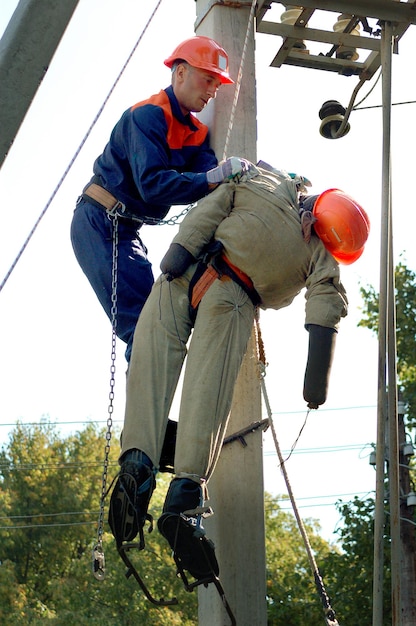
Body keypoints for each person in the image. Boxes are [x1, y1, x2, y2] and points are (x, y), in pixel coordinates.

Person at [108, 161, 370, 581]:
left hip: (187, 275)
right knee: (206, 396)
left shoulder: (266, 182)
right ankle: (182, 499)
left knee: (150, 371)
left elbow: (218, 201)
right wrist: (315, 381)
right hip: (230, 298)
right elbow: (326, 303)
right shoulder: (320, 249)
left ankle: (137, 469)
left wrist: (180, 249)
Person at [70, 36, 245, 363]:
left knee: (160, 321)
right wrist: (212, 178)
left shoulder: (196, 135)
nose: (212, 91)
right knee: (143, 326)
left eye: (217, 85)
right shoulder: (146, 116)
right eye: (208, 79)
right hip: (100, 223)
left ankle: (155, 412)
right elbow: (152, 184)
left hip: (126, 230)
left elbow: (209, 177)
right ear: (180, 73)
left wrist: (232, 177)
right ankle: (148, 415)